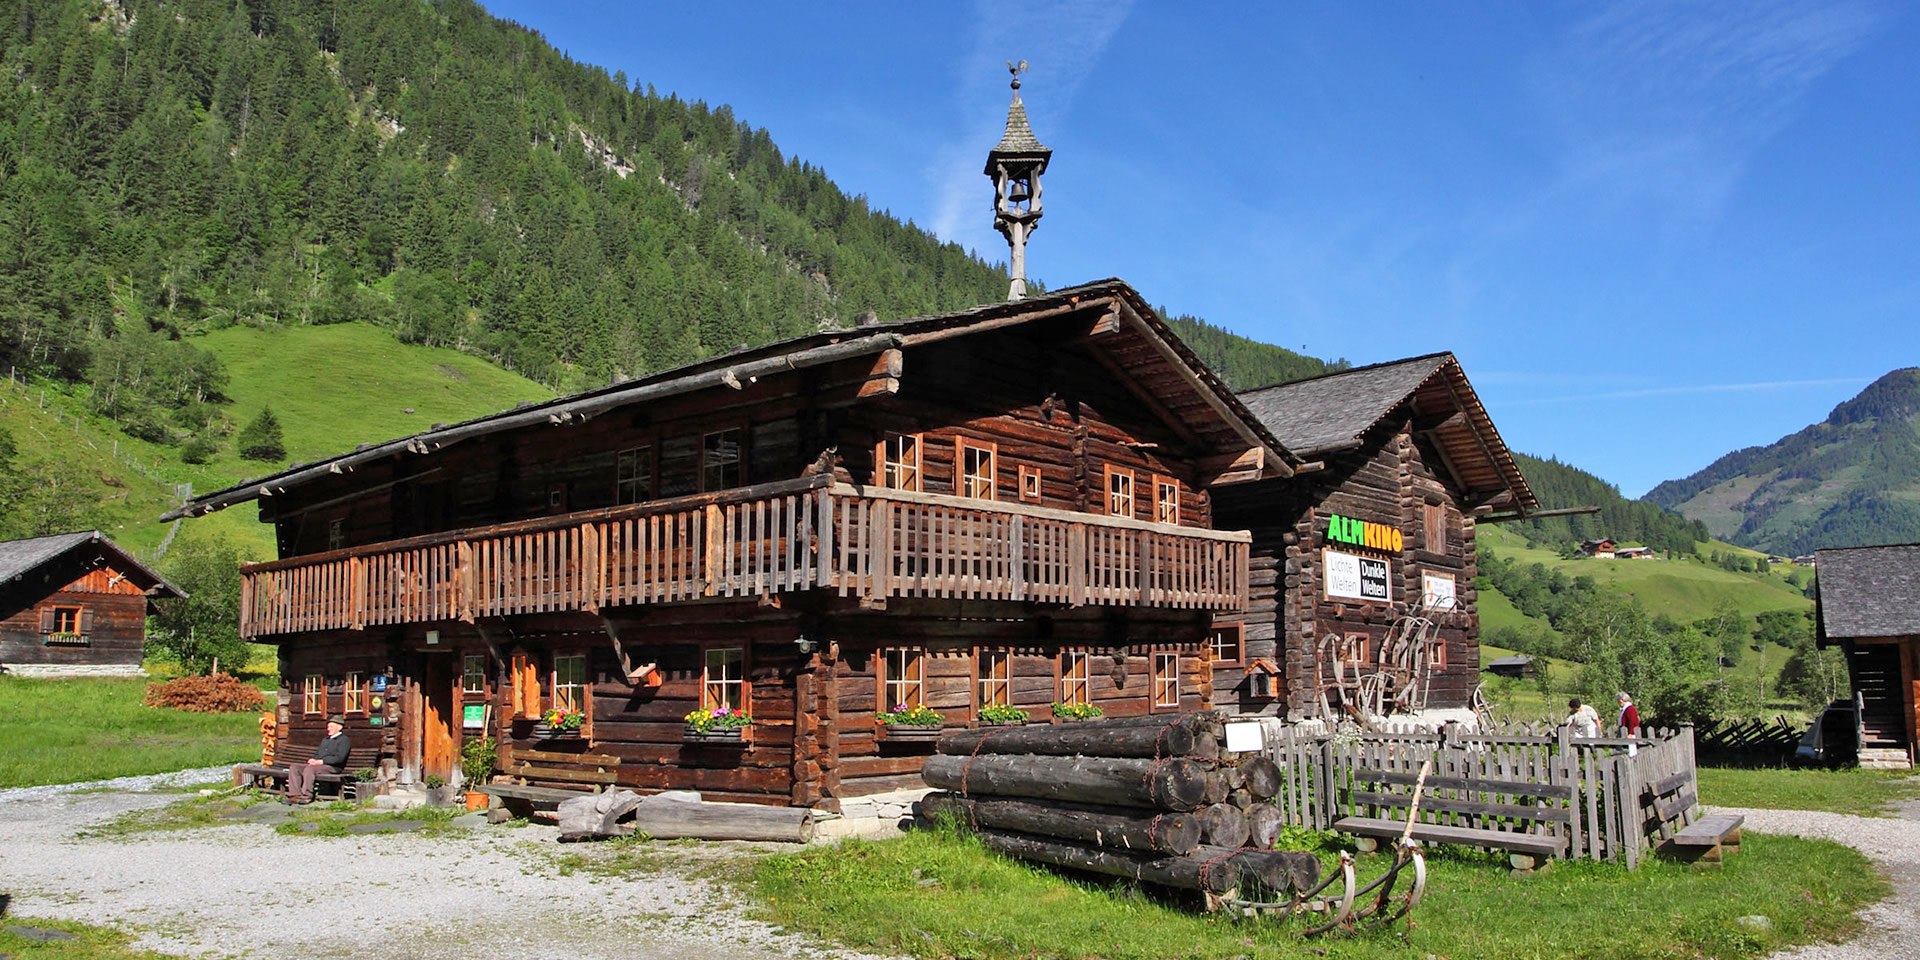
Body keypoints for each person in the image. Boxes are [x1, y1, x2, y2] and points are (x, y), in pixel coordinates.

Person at [288, 715, 351, 804]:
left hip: (333, 767)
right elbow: (318, 754)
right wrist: (313, 760)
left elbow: (340, 758)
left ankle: (306, 796)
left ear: (339, 727)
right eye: (328, 726)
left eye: (331, 726)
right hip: (319, 766)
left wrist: (321, 762)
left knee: (310, 769)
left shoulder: (344, 740)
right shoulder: (325, 740)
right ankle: (294, 795)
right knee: (295, 767)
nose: (328, 729)